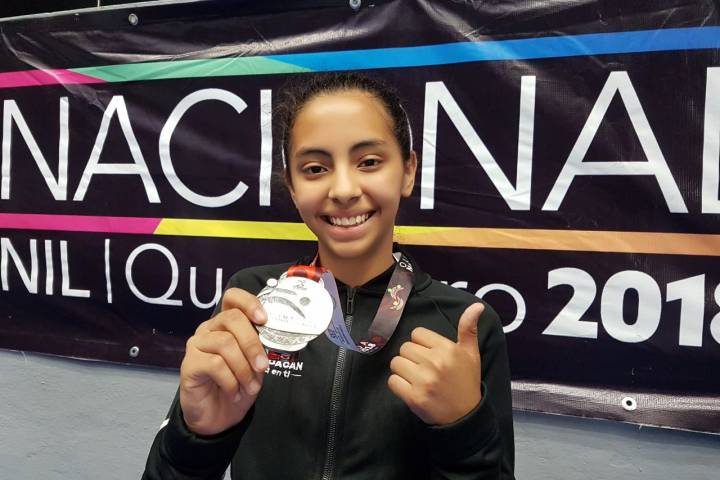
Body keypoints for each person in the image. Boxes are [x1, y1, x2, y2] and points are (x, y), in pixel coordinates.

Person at [142, 72, 515, 479]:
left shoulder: (463, 327)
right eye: (316, 168)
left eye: (369, 162)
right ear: (292, 186)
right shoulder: (251, 300)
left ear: (408, 171)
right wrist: (197, 437)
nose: (343, 190)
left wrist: (463, 432)